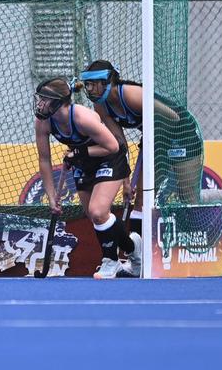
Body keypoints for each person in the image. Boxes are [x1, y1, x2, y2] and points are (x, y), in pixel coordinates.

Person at [34, 76, 142, 279]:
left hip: (109, 157)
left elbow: (113, 146)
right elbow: (44, 160)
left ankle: (111, 261)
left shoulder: (82, 118)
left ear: (57, 103)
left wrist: (79, 153)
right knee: (94, 215)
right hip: (83, 161)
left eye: (44, 99)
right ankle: (133, 248)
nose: (40, 104)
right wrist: (50, 196)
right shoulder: (43, 122)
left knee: (98, 210)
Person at [80, 60, 204, 236]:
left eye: (92, 84)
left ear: (106, 82)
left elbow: (173, 117)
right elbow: (119, 145)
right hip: (155, 141)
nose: (89, 89)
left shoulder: (131, 94)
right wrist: (125, 180)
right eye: (87, 85)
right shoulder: (101, 105)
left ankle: (197, 240)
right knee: (142, 198)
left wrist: (151, 135)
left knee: (187, 195)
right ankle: (138, 256)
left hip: (183, 135)